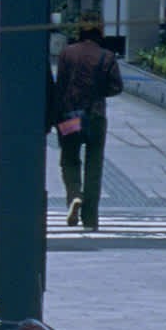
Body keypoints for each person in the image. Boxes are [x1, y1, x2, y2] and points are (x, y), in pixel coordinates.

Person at [51, 15, 123, 231]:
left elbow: (60, 86)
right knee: (94, 167)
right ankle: (90, 219)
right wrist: (99, 92)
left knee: (69, 160)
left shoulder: (67, 53)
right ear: (100, 31)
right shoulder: (107, 56)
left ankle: (74, 195)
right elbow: (116, 87)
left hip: (71, 117)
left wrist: (55, 116)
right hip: (96, 117)